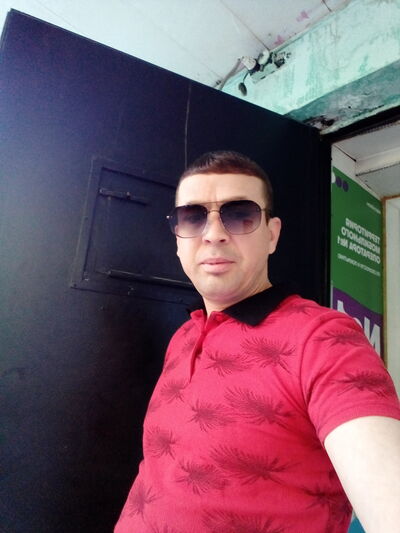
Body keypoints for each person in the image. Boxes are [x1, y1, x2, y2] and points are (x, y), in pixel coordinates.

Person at [115, 151, 400, 533]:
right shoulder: (184, 336)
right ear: (178, 239)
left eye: (239, 215)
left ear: (272, 235)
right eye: (193, 217)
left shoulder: (323, 338)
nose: (213, 233)